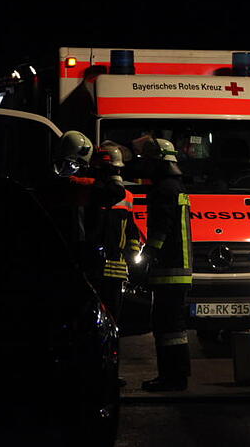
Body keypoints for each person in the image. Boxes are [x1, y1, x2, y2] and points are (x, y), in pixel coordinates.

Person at [137, 137, 193, 392]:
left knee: (166, 326)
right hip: (178, 269)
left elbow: (161, 228)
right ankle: (177, 376)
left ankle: (171, 378)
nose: (145, 166)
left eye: (148, 161)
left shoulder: (164, 189)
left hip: (169, 270)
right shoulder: (176, 186)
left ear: (159, 162)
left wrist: (148, 254)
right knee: (174, 327)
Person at [90, 142, 142, 323]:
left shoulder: (127, 196)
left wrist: (133, 255)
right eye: (113, 170)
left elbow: (131, 230)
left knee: (112, 318)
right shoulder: (91, 192)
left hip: (113, 270)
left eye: (117, 170)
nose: (117, 174)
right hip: (96, 268)